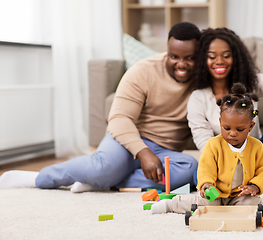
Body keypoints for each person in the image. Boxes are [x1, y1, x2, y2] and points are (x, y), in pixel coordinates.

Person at [0, 22, 201, 193]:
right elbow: (119, 118)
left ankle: (101, 182)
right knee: (103, 168)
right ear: (167, 51)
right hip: (127, 140)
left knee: (189, 169)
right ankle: (38, 178)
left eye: (190, 58)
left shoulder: (204, 79)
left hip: (165, 151)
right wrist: (143, 152)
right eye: (174, 57)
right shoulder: (143, 70)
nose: (181, 64)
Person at [187, 27, 263, 198]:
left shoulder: (250, 82)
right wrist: (257, 163)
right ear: (203, 59)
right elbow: (206, 147)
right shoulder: (197, 98)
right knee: (199, 175)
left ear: (235, 57)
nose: (219, 61)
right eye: (211, 56)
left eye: (226, 55)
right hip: (223, 162)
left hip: (257, 150)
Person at [151, 83, 263, 214]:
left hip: (240, 195)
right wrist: (206, 184)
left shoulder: (257, 146)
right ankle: (171, 204)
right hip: (216, 194)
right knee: (203, 203)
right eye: (227, 128)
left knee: (252, 204)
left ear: (251, 126)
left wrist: (254, 186)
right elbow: (205, 169)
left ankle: (237, 207)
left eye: (240, 129)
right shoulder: (213, 145)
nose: (232, 133)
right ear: (220, 122)